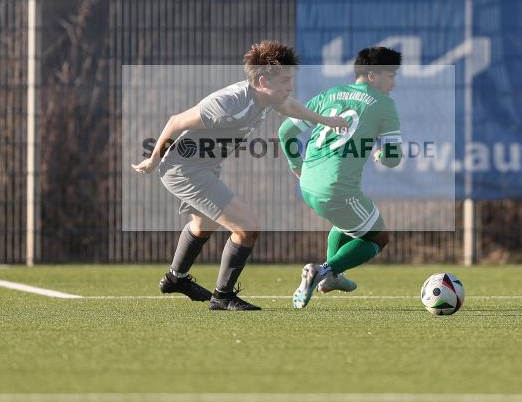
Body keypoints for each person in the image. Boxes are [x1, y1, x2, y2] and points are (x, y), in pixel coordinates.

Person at [131, 40, 347, 311]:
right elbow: (175, 122)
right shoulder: (228, 103)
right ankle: (222, 296)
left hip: (203, 166)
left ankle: (176, 278)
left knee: (202, 226)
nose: (289, 87)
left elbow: (290, 107)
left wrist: (326, 120)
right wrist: (153, 160)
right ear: (261, 80)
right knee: (247, 228)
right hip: (184, 169)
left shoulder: (268, 98)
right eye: (284, 81)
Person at [278, 46, 403, 309]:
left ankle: (331, 278)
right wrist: (381, 156)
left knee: (347, 226)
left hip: (308, 185)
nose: (393, 83)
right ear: (373, 76)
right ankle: (323, 271)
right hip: (337, 190)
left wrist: (296, 164)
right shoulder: (384, 104)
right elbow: (393, 157)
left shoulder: (329, 95)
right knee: (378, 238)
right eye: (390, 76)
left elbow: (285, 132)